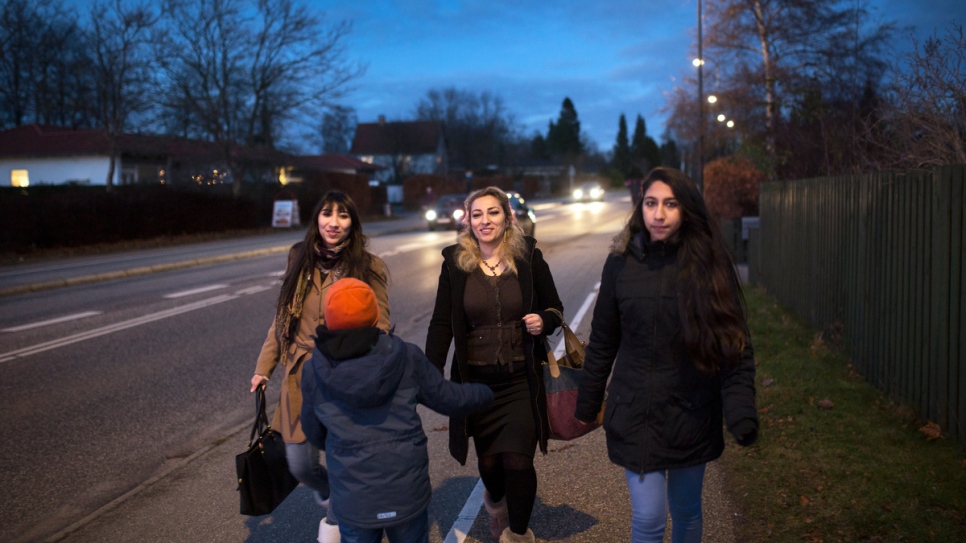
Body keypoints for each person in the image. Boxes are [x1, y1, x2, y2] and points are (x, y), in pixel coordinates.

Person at [575, 167, 759, 543]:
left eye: (670, 205)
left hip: (690, 410)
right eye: (651, 203)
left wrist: (740, 411)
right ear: (639, 207)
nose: (659, 215)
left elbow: (733, 345)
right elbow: (603, 339)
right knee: (648, 517)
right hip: (635, 412)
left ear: (686, 210)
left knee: (688, 511)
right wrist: (587, 401)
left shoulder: (709, 263)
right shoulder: (620, 263)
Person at [300, 278, 494, 543]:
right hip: (406, 492)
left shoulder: (314, 371)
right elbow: (450, 399)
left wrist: (340, 445)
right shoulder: (405, 356)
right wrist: (488, 392)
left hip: (353, 498)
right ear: (374, 314)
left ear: (329, 318)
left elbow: (313, 433)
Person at [250, 190, 391, 543]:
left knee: (344, 460)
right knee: (300, 464)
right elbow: (282, 319)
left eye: (343, 215)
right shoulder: (299, 257)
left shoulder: (368, 266)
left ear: (352, 223)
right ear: (317, 218)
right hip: (300, 377)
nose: (334, 222)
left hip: (346, 376)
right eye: (327, 213)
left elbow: (382, 323)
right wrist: (263, 367)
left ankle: (333, 524)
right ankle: (333, 495)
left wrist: (377, 368)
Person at [425, 186, 564, 543]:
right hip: (476, 386)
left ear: (508, 217)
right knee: (489, 465)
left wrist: (543, 321)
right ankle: (496, 503)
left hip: (520, 380)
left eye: (493, 213)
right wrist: (429, 372)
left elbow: (555, 309)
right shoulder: (455, 264)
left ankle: (517, 535)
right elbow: (442, 323)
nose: (485, 221)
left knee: (518, 461)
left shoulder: (529, 257)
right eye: (477, 214)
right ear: (468, 221)